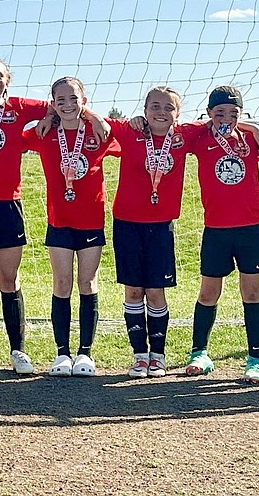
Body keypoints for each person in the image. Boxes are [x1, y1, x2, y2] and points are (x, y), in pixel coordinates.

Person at [0, 56, 104, 375]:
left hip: (8, 205)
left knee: (8, 278)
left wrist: (82, 116)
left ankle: (18, 350)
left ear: (7, 81)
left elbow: (63, 105)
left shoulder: (19, 107)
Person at [22, 77, 113, 377]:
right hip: (58, 223)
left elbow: (133, 137)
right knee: (62, 284)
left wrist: (96, 116)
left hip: (91, 222)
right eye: (60, 100)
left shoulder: (99, 131)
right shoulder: (44, 133)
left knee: (87, 284)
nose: (67, 104)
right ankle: (62, 353)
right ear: (53, 103)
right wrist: (44, 118)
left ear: (83, 100)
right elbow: (15, 139)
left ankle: (85, 353)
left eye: (73, 98)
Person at [182, 86, 259, 384]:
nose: (227, 118)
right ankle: (199, 353)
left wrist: (248, 125)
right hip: (216, 229)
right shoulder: (200, 138)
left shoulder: (251, 138)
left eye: (234, 113)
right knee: (209, 292)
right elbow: (181, 127)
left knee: (252, 292)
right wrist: (209, 123)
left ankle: (255, 359)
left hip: (250, 228)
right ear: (209, 113)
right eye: (219, 112)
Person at [107, 86, 197, 378]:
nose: (161, 112)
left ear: (178, 113)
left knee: (156, 291)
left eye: (168, 108)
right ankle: (139, 356)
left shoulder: (185, 136)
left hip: (160, 226)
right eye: (154, 107)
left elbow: (221, 122)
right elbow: (92, 119)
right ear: (144, 111)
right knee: (133, 290)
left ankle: (157, 355)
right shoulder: (128, 131)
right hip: (126, 224)